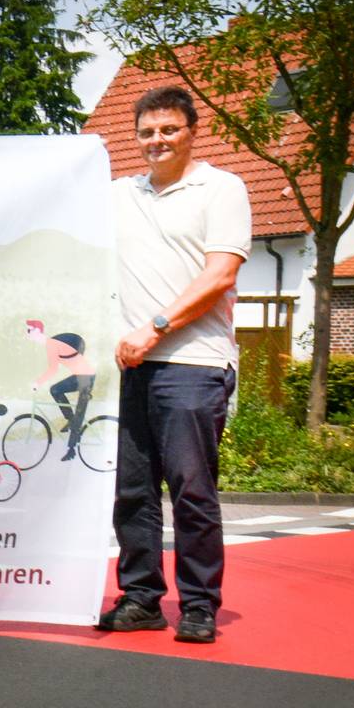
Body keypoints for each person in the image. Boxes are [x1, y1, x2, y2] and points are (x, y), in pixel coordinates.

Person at [100, 84, 247, 644]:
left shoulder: (222, 189)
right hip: (129, 365)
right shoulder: (118, 195)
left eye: (168, 130)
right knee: (131, 491)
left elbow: (219, 277)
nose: (157, 140)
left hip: (193, 363)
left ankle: (200, 605)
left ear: (192, 132)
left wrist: (153, 328)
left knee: (191, 489)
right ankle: (141, 598)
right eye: (147, 132)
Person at [26, 319, 96, 461]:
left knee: (78, 417)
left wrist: (37, 383)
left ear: (37, 331)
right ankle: (70, 418)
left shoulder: (52, 344)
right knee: (56, 390)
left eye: (29, 330)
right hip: (81, 376)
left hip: (86, 378)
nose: (27, 334)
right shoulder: (51, 344)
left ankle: (71, 451)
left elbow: (53, 369)